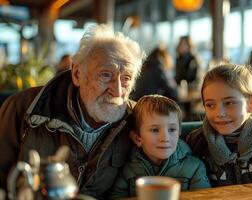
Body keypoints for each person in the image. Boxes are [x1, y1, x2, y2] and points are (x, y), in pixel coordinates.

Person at [0, 24, 146, 199]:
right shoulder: (22, 108)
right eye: (106, 75)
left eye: (126, 78)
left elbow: (175, 155)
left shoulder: (140, 118)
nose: (118, 91)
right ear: (76, 73)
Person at [109, 95, 211, 199]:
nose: (165, 138)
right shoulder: (128, 169)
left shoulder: (195, 167)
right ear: (138, 139)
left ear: (179, 133)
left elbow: (204, 197)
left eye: (172, 130)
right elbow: (116, 197)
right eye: (155, 130)